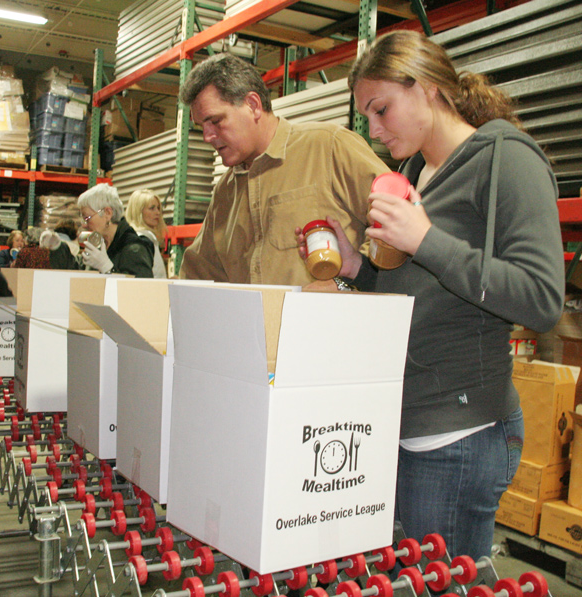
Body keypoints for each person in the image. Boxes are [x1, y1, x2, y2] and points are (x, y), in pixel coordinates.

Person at [303, 30, 565, 561]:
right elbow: (414, 290)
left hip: (460, 432)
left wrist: (424, 239)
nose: (375, 131)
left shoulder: (505, 159)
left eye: (382, 110)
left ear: (425, 88)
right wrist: (356, 267)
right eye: (367, 118)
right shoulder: (413, 173)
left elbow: (541, 299)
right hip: (403, 419)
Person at [177, 53, 390, 285]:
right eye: (201, 126)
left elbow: (396, 226)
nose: (207, 136)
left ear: (253, 105)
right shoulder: (225, 192)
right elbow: (199, 274)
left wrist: (349, 283)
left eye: (216, 121)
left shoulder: (329, 147)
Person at [41, 183, 154, 278]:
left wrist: (108, 269)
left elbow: (140, 292)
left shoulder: (135, 249)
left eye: (87, 218)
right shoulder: (99, 243)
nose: (84, 224)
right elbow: (78, 270)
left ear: (107, 213)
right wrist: (57, 247)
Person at [125, 189, 168, 278]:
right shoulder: (142, 239)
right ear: (138, 211)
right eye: (152, 208)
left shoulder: (144, 237)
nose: (157, 212)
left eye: (158, 208)